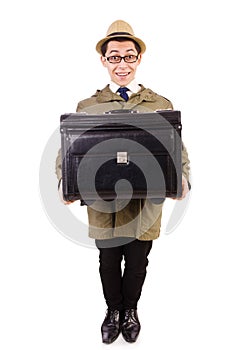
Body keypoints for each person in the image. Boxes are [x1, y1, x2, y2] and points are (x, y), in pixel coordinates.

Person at [56, 19, 190, 344]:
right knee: (108, 259)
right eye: (114, 56)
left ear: (138, 59)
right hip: (103, 202)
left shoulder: (160, 104)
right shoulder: (88, 107)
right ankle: (112, 310)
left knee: (138, 260)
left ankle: (131, 310)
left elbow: (176, 147)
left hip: (147, 201)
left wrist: (182, 178)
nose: (122, 64)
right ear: (103, 60)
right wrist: (65, 182)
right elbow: (69, 150)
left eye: (129, 56)